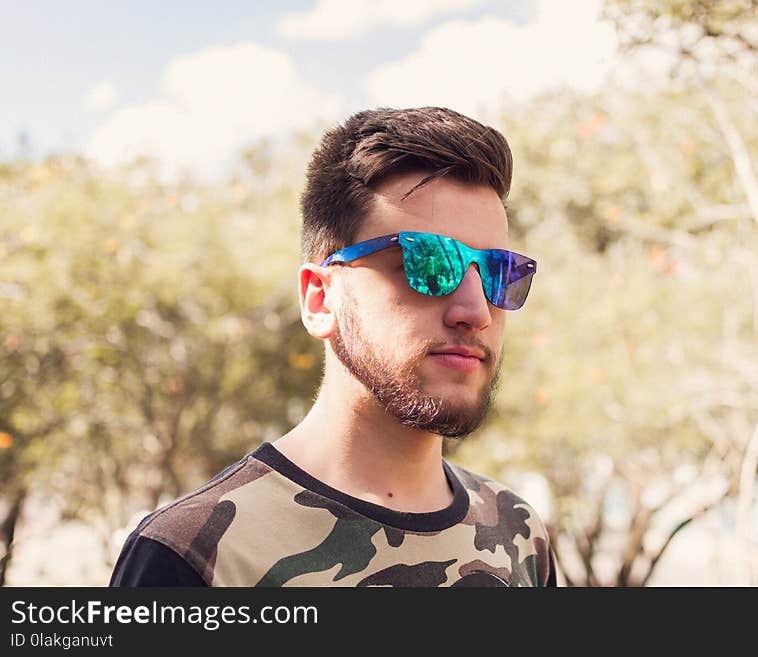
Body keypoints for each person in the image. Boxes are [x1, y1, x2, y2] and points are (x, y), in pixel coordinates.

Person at [110, 106, 557, 587]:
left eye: (499, 273)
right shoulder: (194, 556)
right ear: (320, 299)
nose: (477, 310)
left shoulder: (520, 535)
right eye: (427, 263)